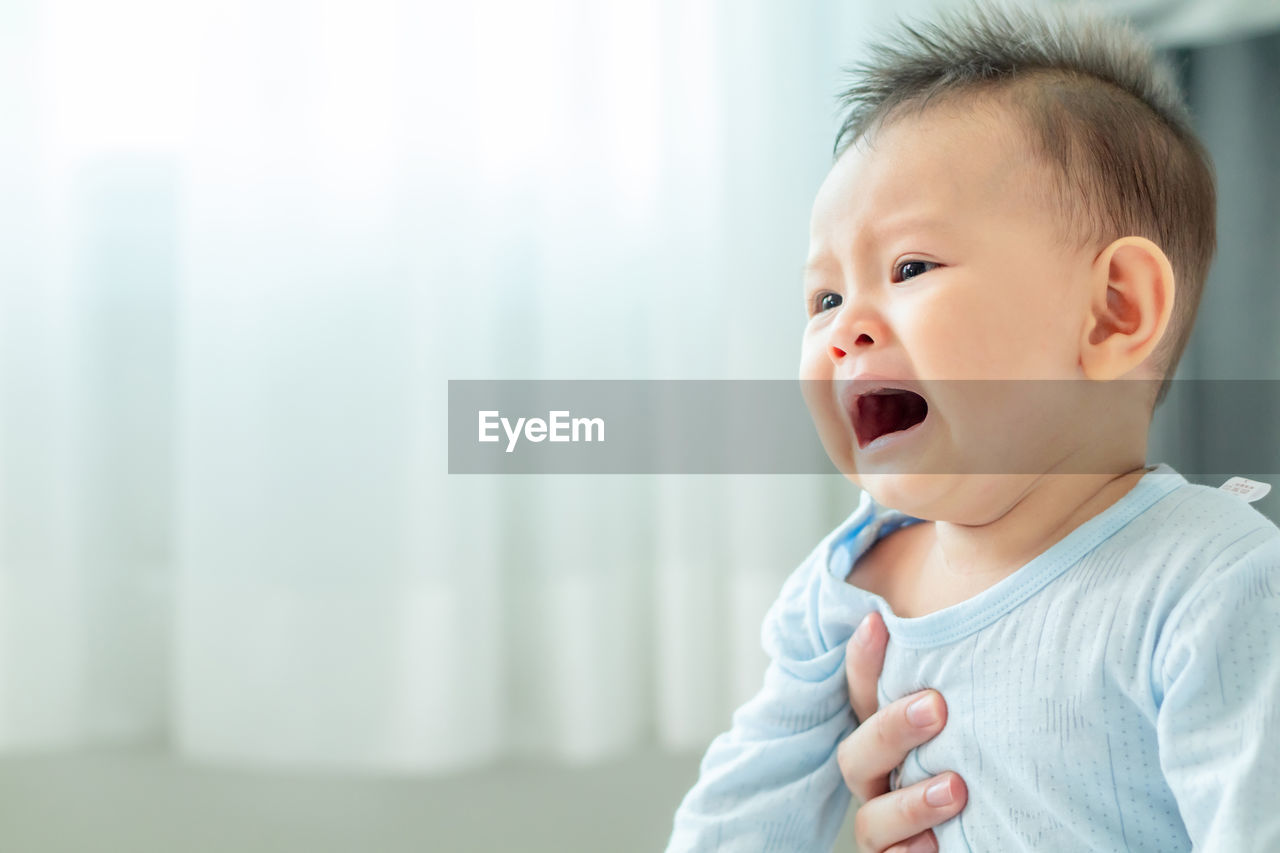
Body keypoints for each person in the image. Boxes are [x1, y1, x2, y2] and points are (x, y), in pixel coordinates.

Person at [664, 2, 1280, 851]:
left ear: (1112, 312)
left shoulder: (1212, 583)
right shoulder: (847, 584)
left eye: (910, 266)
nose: (844, 327)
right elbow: (738, 814)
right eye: (824, 298)